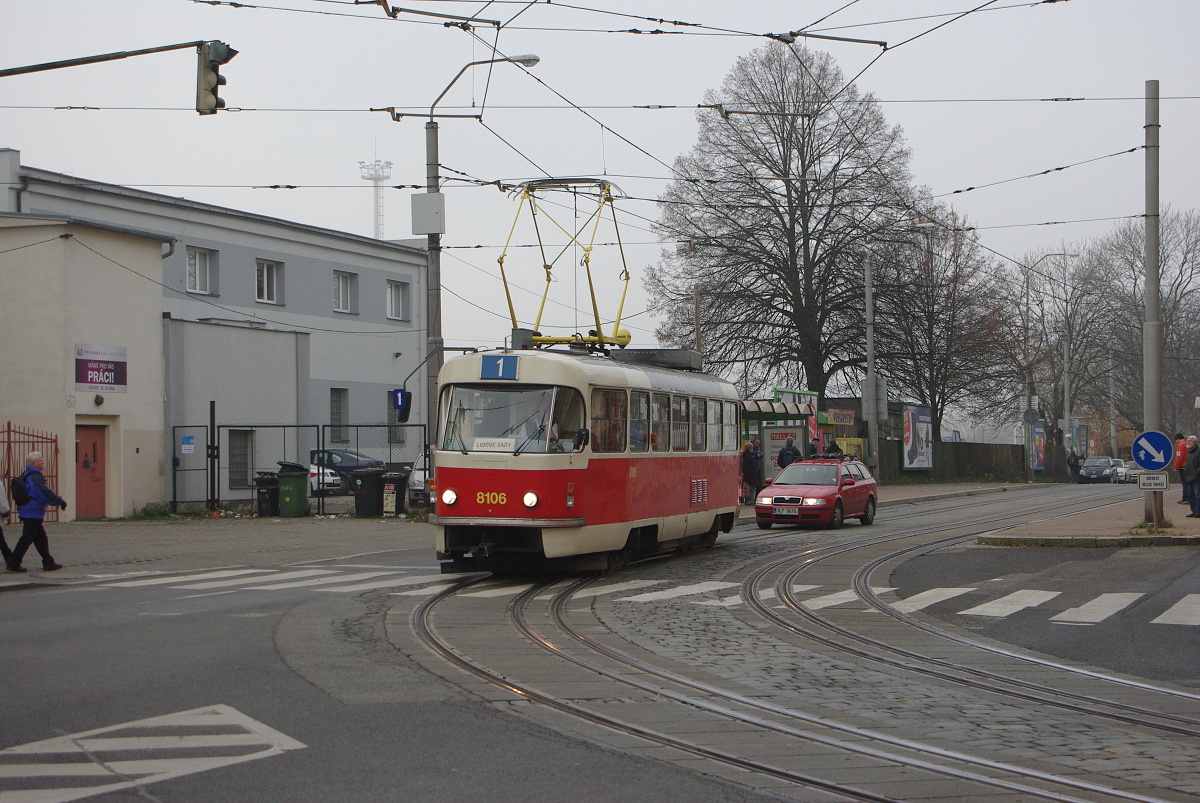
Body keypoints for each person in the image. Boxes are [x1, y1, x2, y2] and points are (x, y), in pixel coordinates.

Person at [8, 452, 65, 573]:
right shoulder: (35, 476)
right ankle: (14, 562)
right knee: (27, 538)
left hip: (28, 510)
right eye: (41, 461)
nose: (43, 462)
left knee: (40, 538)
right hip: (32, 511)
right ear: (34, 463)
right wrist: (59, 501)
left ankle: (48, 561)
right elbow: (43, 492)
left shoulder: (26, 474)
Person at [1184, 436, 1200, 518]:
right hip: (1189, 477)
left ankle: (1198, 511)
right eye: (1188, 441)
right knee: (1191, 496)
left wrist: (1197, 473)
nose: (1188, 442)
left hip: (1197, 478)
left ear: (1195, 442)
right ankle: (1194, 511)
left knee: (1198, 495)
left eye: (1190, 441)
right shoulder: (1189, 452)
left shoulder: (1198, 451)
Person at [1175, 433, 1188, 504]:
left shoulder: (1181, 445)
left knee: (1184, 483)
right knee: (1188, 483)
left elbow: (1179, 457)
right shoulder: (1188, 444)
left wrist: (1176, 467)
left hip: (1182, 467)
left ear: (1177, 439)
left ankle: (1185, 498)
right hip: (1189, 467)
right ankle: (1187, 498)